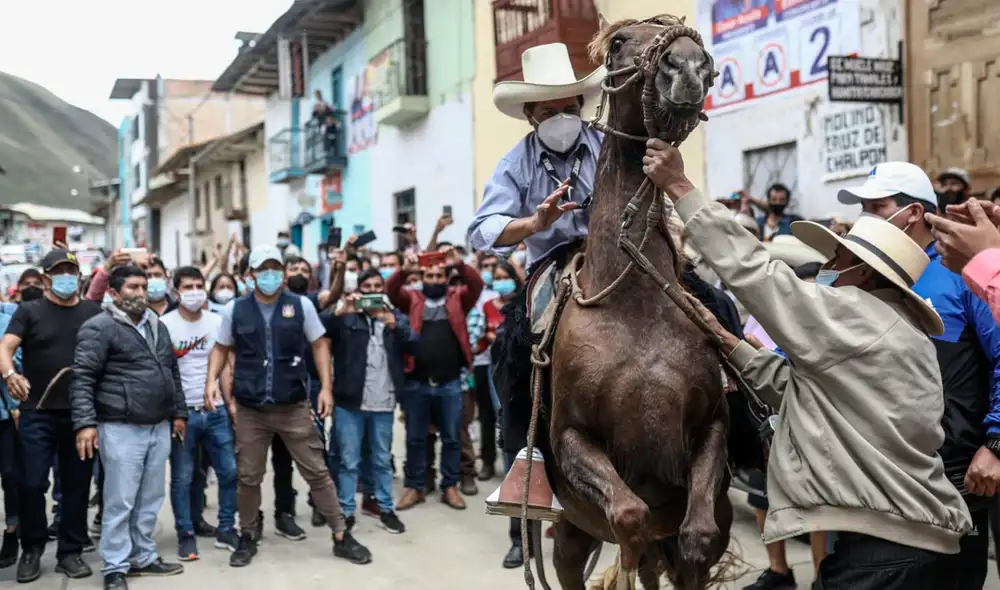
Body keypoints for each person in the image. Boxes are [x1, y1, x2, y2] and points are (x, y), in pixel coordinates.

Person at [643, 139, 973, 588]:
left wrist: (681, 186)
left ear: (864, 272)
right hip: (909, 544)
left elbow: (755, 272)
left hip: (884, 553)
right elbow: (801, 390)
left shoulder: (854, 314)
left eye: (839, 257)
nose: (828, 265)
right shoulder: (894, 327)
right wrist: (728, 341)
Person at [838, 162, 1000, 587]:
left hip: (952, 478)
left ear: (912, 213)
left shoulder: (963, 275)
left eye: (877, 207)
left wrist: (996, 443)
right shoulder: (860, 273)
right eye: (863, 208)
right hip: (876, 475)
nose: (865, 218)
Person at [203, 246, 371, 567]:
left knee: (317, 472)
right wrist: (211, 381)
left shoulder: (301, 305)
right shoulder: (235, 310)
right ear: (251, 275)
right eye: (263, 269)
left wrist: (326, 389)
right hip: (251, 409)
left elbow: (319, 345)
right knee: (248, 477)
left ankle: (341, 535)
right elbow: (221, 348)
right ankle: (248, 534)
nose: (270, 275)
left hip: (292, 405)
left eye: (275, 269)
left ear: (282, 273)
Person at [70, 265, 187, 590]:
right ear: (113, 293)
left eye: (143, 286)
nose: (141, 292)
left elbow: (171, 370)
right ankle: (115, 567)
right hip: (120, 426)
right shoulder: (99, 327)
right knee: (120, 500)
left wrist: (179, 413)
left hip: (158, 424)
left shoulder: (156, 324)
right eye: (133, 287)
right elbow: (82, 378)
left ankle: (143, 557)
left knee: (150, 497)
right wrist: (85, 423)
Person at [0, 249, 102, 583]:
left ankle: (70, 551)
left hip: (80, 415)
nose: (66, 277)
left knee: (76, 485)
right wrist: (10, 375)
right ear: (46, 278)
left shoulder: (93, 312)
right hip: (37, 413)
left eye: (71, 271)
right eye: (59, 271)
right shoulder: (29, 311)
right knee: (31, 483)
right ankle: (31, 548)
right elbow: (4, 347)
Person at [386, 248, 484, 511]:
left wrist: (459, 264)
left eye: (439, 275)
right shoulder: (412, 299)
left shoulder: (458, 298)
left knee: (451, 438)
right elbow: (391, 290)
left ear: (446, 278)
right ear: (422, 278)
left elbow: (477, 284)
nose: (434, 280)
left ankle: (449, 486)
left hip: (449, 383)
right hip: (416, 383)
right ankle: (414, 487)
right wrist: (404, 271)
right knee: (416, 438)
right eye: (429, 276)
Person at [326, 268, 417, 534]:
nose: (373, 291)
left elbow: (415, 343)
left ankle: (386, 508)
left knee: (382, 460)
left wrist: (394, 323)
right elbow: (318, 328)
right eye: (367, 287)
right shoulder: (348, 318)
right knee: (348, 462)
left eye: (378, 286)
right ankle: (346, 512)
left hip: (384, 403)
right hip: (349, 403)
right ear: (359, 290)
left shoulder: (393, 317)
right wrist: (342, 309)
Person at [160, 267, 239, 561]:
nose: (194, 291)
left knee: (229, 472)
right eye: (188, 287)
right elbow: (163, 372)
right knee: (183, 477)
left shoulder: (217, 322)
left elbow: (226, 366)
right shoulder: (164, 325)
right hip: (183, 414)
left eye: (198, 285)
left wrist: (230, 405)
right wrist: (173, 413)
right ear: (176, 292)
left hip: (215, 411)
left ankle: (227, 528)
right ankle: (186, 534)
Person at [0, 303, 21, 569]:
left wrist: (16, 408)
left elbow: (14, 367)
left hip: (4, 416)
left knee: (11, 476)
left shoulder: (5, 323)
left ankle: (12, 530)